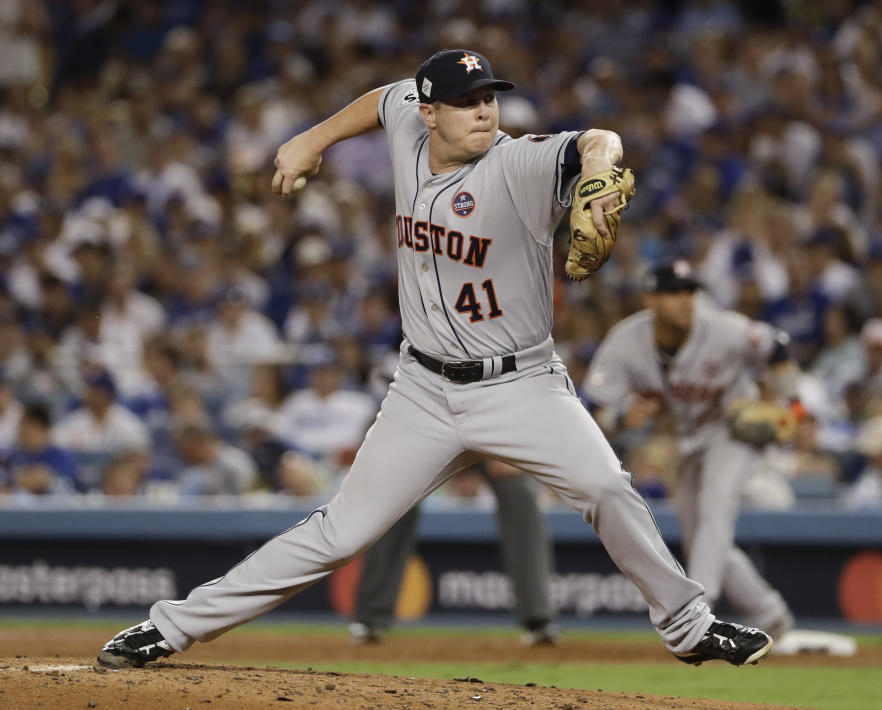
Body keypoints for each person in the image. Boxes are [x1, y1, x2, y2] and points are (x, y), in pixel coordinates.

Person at [97, 49, 771, 669]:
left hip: (522, 384)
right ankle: (173, 628)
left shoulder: (518, 164)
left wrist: (597, 169)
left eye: (490, 97)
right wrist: (311, 138)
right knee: (338, 534)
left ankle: (688, 625)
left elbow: (600, 141)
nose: (484, 110)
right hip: (421, 387)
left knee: (604, 487)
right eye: (467, 100)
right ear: (431, 113)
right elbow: (382, 98)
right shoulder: (406, 127)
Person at [584, 260, 798, 639]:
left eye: (689, 291)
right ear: (651, 298)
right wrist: (620, 416)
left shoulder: (723, 328)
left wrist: (788, 402)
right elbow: (594, 404)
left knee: (716, 503)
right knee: (701, 534)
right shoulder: (626, 341)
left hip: (732, 429)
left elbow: (777, 346)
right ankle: (770, 613)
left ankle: (699, 613)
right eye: (673, 292)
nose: (685, 300)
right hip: (683, 441)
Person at [349, 460, 557, 646]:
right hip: (430, 432)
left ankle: (539, 619)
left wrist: (508, 450)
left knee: (518, 489)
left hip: (485, 432)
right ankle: (370, 619)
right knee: (397, 490)